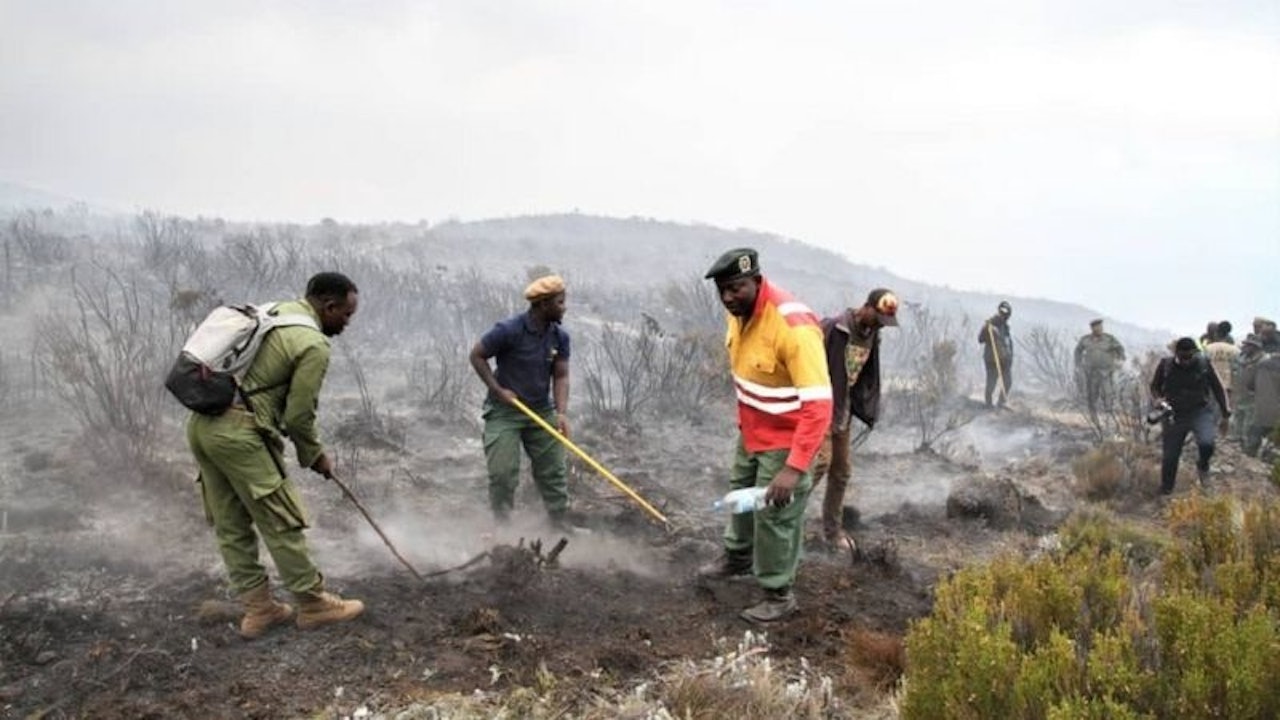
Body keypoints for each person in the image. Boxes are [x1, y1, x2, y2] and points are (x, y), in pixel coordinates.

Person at [186, 272, 365, 639]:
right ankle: (313, 604)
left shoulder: (276, 312)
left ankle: (259, 610)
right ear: (328, 306)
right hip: (238, 433)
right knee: (279, 518)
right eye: (346, 314)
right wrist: (314, 455)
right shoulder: (313, 344)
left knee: (230, 523)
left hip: (202, 427)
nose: (347, 323)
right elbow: (299, 416)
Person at [697, 248, 832, 624]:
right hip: (752, 431)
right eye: (722, 290)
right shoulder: (737, 315)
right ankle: (737, 557)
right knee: (741, 497)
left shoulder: (794, 327)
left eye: (736, 288)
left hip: (786, 439)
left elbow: (819, 406)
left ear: (757, 281)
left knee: (775, 514)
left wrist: (794, 467)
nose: (728, 297)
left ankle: (778, 593)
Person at [468, 274, 572, 527]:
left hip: (541, 410)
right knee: (502, 473)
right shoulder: (508, 330)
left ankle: (560, 524)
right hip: (504, 411)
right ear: (543, 304)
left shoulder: (560, 336)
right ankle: (503, 527)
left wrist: (561, 413)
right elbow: (477, 355)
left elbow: (561, 375)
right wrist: (498, 389)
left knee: (554, 472)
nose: (564, 308)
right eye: (559, 302)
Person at [810, 288, 897, 552]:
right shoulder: (834, 328)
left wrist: (866, 407)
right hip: (819, 407)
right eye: (878, 318)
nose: (880, 326)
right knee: (819, 464)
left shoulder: (873, 337)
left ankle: (832, 532)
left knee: (841, 471)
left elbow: (865, 375)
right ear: (867, 307)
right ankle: (783, 520)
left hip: (842, 412)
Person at [1149, 337, 1231, 494]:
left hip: (1199, 411)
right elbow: (1154, 387)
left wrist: (1225, 413)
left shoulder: (1204, 364)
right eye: (1183, 357)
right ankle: (1166, 490)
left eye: (1190, 357)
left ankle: (1203, 465)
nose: (1187, 361)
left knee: (1207, 443)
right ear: (1176, 354)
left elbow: (1218, 388)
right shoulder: (1166, 365)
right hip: (1174, 414)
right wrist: (1158, 400)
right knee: (1170, 457)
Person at [1073, 319, 1126, 415]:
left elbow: (1119, 348)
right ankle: (1092, 415)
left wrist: (1121, 359)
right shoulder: (1086, 340)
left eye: (1100, 327)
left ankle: (1109, 414)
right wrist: (1078, 364)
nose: (1099, 329)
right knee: (1092, 395)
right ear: (1092, 328)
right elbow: (1078, 350)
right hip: (1091, 372)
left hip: (1106, 371)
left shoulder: (1109, 339)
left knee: (1108, 393)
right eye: (1097, 327)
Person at [1242, 347, 1279, 457]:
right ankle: (1270, 457)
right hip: (1278, 415)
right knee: (1275, 441)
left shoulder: (1261, 365)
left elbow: (1249, 384)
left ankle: (1251, 454)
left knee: (1255, 434)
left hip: (1261, 408)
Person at [978, 301, 1014, 408]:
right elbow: (980, 339)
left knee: (1007, 382)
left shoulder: (1006, 327)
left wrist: (1009, 357)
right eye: (1002, 312)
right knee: (991, 383)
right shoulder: (991, 324)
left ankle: (1001, 403)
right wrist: (986, 329)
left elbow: (1007, 343)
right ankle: (988, 404)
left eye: (1006, 312)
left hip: (1004, 359)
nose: (1004, 315)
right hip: (992, 360)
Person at [1230, 335, 1264, 443]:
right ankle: (1237, 436)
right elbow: (1234, 373)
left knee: (1251, 420)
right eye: (1246, 344)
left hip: (1256, 396)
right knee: (1238, 415)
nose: (1246, 347)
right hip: (1240, 393)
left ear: (1255, 347)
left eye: (1249, 345)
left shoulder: (1263, 360)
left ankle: (1248, 441)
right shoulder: (1240, 359)